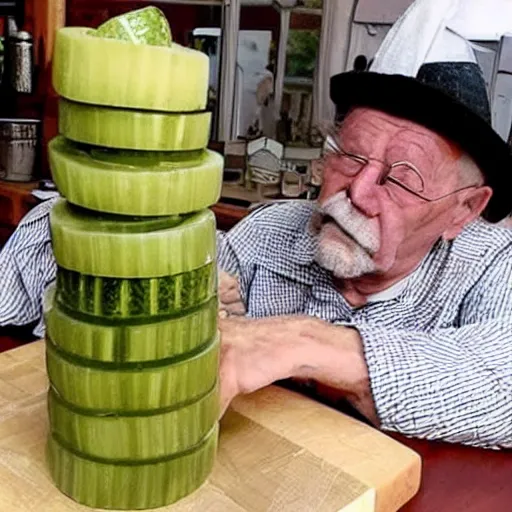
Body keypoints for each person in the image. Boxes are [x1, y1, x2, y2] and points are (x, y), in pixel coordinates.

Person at [1, 4, 511, 450]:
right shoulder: (273, 230)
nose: (356, 193)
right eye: (350, 157)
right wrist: (153, 260)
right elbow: (46, 280)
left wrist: (307, 342)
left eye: (402, 179)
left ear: (464, 210)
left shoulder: (492, 260)